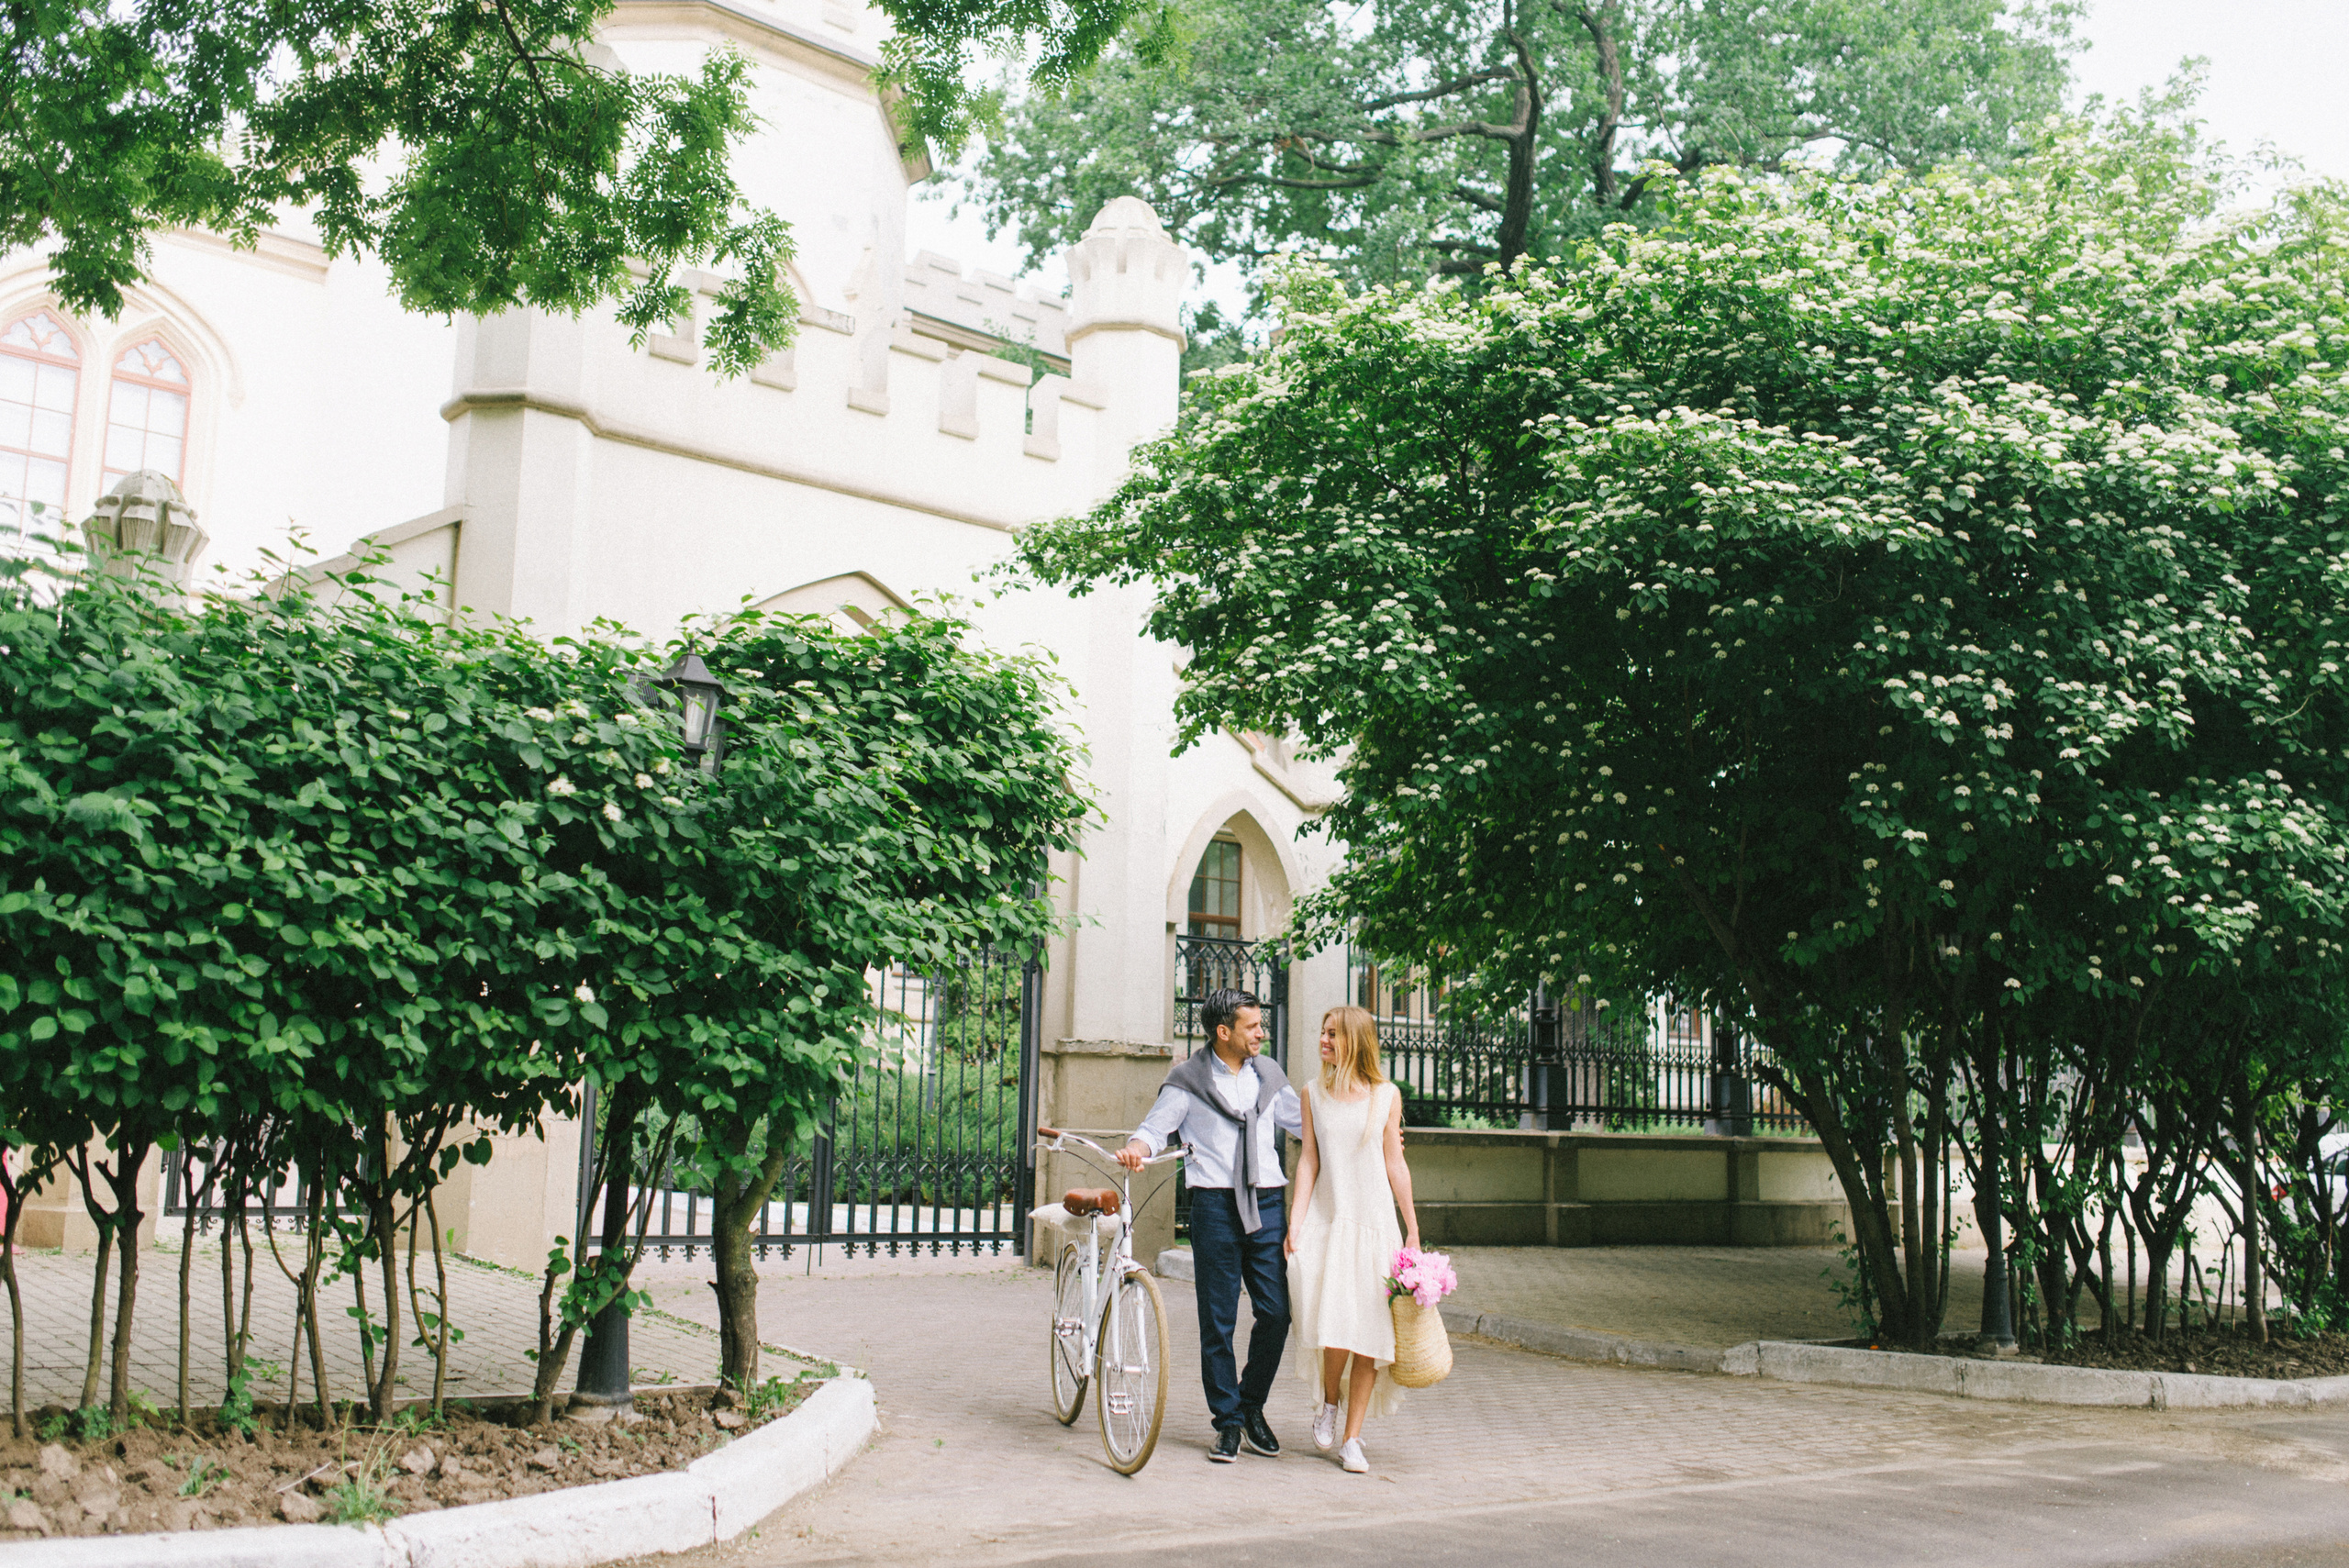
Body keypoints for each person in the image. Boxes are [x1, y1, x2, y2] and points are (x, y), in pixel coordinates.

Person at [1119, 987, 1302, 1463]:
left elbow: (1305, 1124)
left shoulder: (1270, 1075)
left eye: (1261, 1024)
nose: (1262, 1032)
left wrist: (1373, 1128)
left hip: (1266, 1203)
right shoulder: (1187, 1080)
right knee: (1218, 1321)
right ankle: (1227, 1422)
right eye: (1253, 1026)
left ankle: (1251, 1405)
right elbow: (1155, 1129)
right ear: (1224, 1032)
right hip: (1215, 1207)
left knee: (1277, 1313)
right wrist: (1137, 1150)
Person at [1283, 1005, 1419, 1474]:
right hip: (1331, 1220)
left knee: (1370, 1336)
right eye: (1322, 1032)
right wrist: (1296, 1222)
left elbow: (1395, 1164)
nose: (1323, 1040)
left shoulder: (1385, 1096)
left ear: (1355, 1041)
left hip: (1376, 1225)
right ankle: (1328, 1402)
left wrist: (1413, 1231)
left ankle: (1353, 1439)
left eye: (1333, 1034)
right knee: (1335, 1326)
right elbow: (1308, 1162)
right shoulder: (1312, 1095)